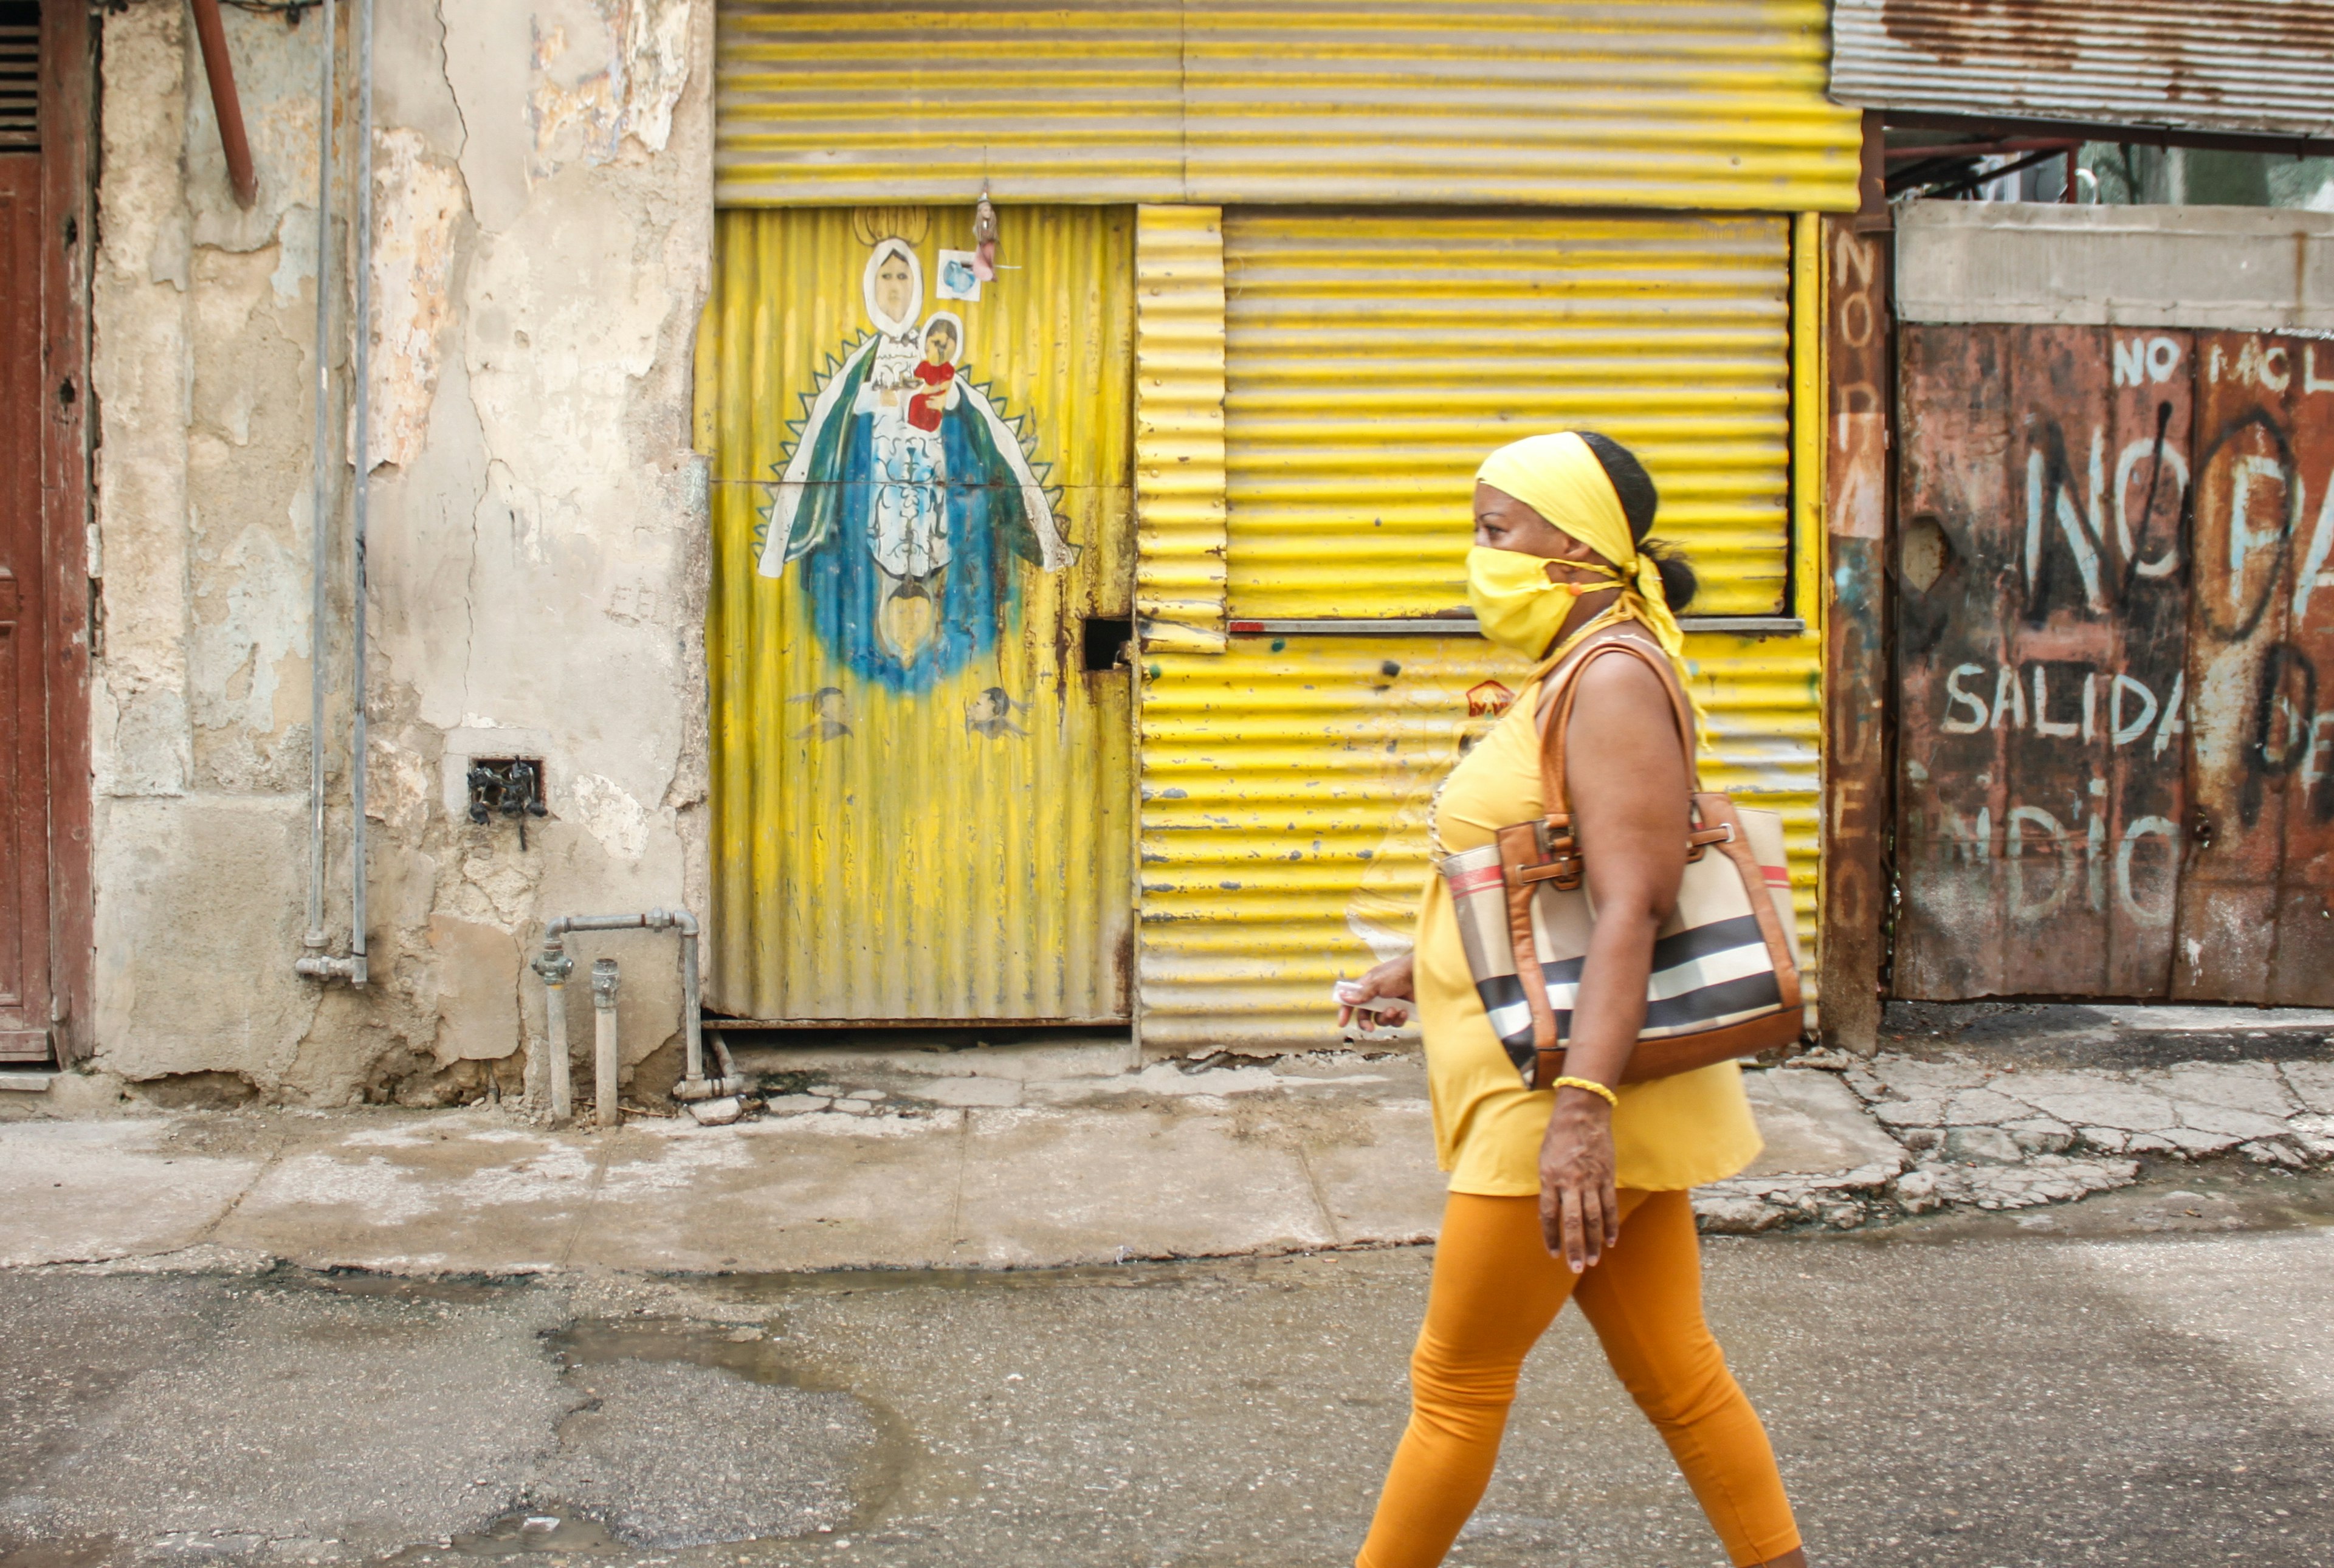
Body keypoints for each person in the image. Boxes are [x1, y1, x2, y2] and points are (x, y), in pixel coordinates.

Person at [1337, 430, 1806, 1568]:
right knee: (1680, 1376)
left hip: (1562, 1094)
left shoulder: (1610, 679)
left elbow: (1635, 903)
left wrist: (1583, 1110)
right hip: (1581, 1080)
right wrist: (1427, 959)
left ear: (1577, 546)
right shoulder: (1581, 665)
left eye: (1499, 531)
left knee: (1455, 1384)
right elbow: (1558, 876)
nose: (1479, 555)